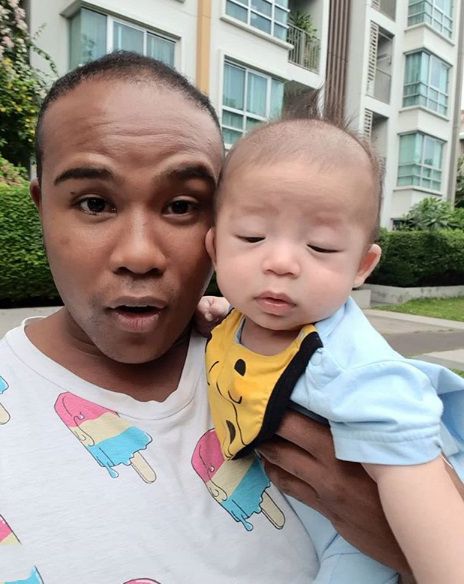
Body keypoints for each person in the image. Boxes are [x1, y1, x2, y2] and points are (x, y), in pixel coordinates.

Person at [0, 50, 415, 583]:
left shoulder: (318, 375)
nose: (140, 255)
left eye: (181, 206)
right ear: (41, 208)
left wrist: (403, 538)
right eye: (94, 204)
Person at [200, 116, 464, 583]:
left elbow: (421, 488)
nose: (281, 262)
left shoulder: (355, 372)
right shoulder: (246, 314)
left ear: (362, 266)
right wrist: (219, 313)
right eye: (253, 237)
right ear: (216, 247)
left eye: (320, 246)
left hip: (362, 541)